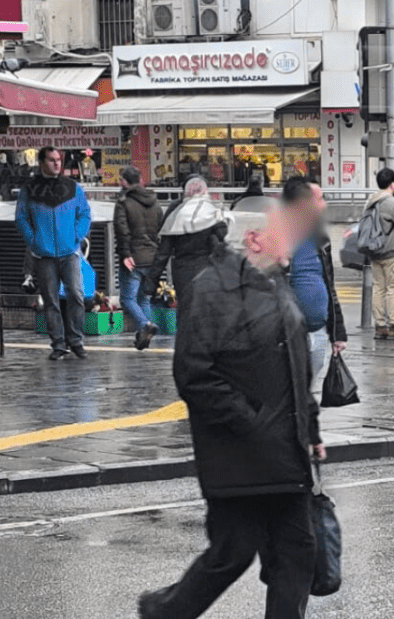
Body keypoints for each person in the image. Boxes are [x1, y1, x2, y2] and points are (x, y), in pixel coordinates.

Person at [137, 200, 326, 619]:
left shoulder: (274, 284)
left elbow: (295, 367)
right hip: (239, 454)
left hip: (284, 452)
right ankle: (164, 612)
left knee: (296, 555)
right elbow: (193, 373)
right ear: (254, 239)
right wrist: (252, 423)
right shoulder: (211, 289)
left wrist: (309, 430)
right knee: (232, 553)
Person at [16, 146, 91, 361]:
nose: (57, 163)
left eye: (58, 160)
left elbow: (84, 213)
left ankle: (75, 340)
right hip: (44, 254)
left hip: (69, 251)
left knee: (76, 294)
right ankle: (59, 343)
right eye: (51, 160)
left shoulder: (73, 187)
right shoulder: (29, 189)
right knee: (50, 300)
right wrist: (34, 241)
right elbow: (21, 218)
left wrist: (76, 235)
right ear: (41, 163)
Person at [283, 177, 347, 392]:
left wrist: (338, 332)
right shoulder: (279, 235)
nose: (324, 204)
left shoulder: (320, 238)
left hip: (317, 329)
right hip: (288, 334)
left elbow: (329, 284)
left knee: (307, 387)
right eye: (319, 199)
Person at [145, 176, 229, 312]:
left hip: (182, 272)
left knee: (186, 312)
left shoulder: (175, 211)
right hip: (207, 270)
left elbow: (163, 252)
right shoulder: (212, 210)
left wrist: (152, 281)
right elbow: (226, 240)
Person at [114, 166, 162, 351]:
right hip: (152, 256)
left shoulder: (123, 202)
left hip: (133, 257)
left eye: (121, 179)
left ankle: (145, 325)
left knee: (127, 299)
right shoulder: (154, 201)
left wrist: (125, 254)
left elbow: (121, 229)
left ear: (125, 181)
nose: (119, 183)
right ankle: (145, 336)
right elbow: (159, 227)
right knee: (144, 299)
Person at [365, 167, 394, 339]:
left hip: (374, 252)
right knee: (393, 289)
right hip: (392, 252)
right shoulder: (392, 203)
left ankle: (380, 325)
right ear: (392, 184)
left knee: (378, 289)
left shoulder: (370, 201)